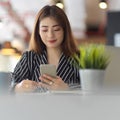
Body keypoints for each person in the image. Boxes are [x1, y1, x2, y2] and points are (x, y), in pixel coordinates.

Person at [11, 5, 80, 93]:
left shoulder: (78, 59)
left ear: (65, 30)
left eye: (56, 29)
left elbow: (94, 89)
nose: (50, 35)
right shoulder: (29, 58)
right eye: (44, 30)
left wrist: (67, 89)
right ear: (38, 32)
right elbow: (8, 85)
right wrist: (17, 88)